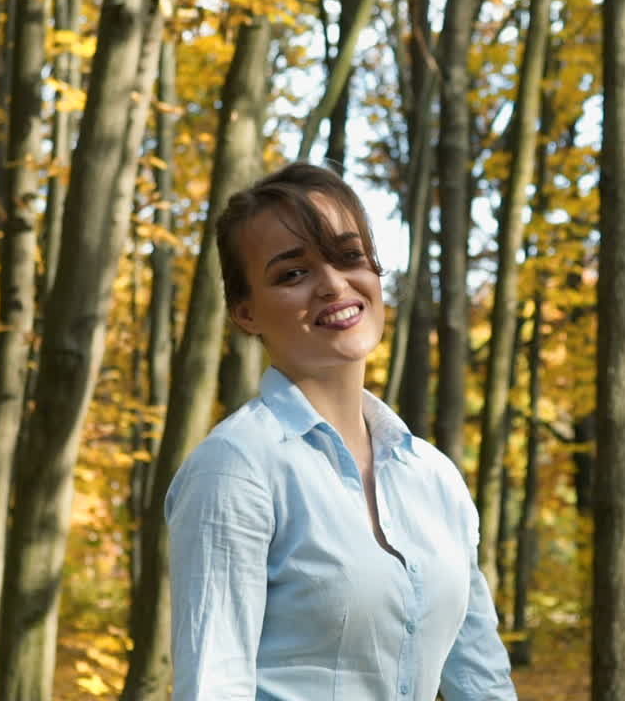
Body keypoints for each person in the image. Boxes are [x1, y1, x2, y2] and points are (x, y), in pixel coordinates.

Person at [166, 162, 518, 700]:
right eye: (292, 274)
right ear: (246, 313)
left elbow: (482, 681)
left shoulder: (434, 477)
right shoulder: (236, 469)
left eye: (349, 257)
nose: (333, 284)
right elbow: (214, 685)